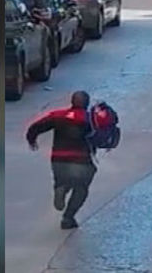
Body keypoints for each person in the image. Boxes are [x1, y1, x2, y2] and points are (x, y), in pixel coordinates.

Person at [26, 90, 98, 230]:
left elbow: (36, 127)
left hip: (59, 158)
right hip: (81, 160)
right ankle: (68, 218)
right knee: (81, 188)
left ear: (72, 102)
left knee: (62, 180)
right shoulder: (90, 119)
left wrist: (31, 139)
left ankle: (62, 188)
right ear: (87, 104)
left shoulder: (58, 116)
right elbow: (102, 136)